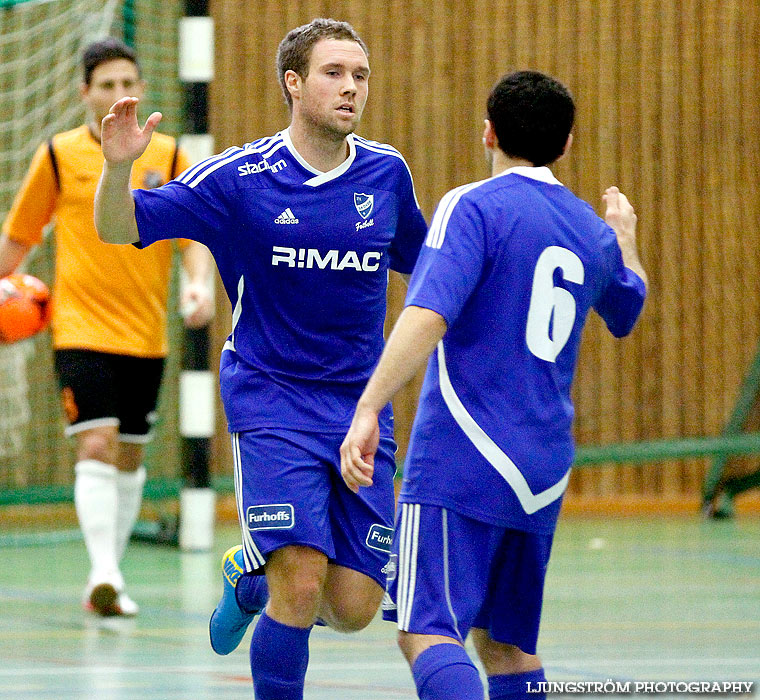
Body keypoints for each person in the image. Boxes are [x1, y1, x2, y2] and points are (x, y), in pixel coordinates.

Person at [94, 18, 427, 699]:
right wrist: (120, 165)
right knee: (300, 581)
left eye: (360, 75)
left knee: (356, 606)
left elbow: (432, 277)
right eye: (334, 73)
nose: (351, 87)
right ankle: (272, 580)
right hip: (272, 399)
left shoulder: (386, 174)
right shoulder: (241, 179)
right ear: (293, 83)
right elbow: (117, 225)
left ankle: (248, 575)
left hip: (360, 409)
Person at [340, 70, 648, 700]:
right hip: (544, 465)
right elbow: (628, 308)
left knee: (427, 630)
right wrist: (627, 243)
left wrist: (370, 404)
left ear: (488, 132)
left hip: (463, 454)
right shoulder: (591, 230)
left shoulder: (472, 205)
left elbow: (427, 314)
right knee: (507, 645)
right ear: (567, 145)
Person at [0, 37, 214, 617]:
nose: (120, 94)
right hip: (79, 326)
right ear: (85, 93)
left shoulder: (167, 155)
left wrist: (197, 281)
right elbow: (17, 240)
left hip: (146, 330)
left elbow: (192, 233)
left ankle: (111, 582)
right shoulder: (57, 155)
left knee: (129, 458)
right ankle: (103, 572)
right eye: (107, 85)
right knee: (95, 444)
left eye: (128, 83)